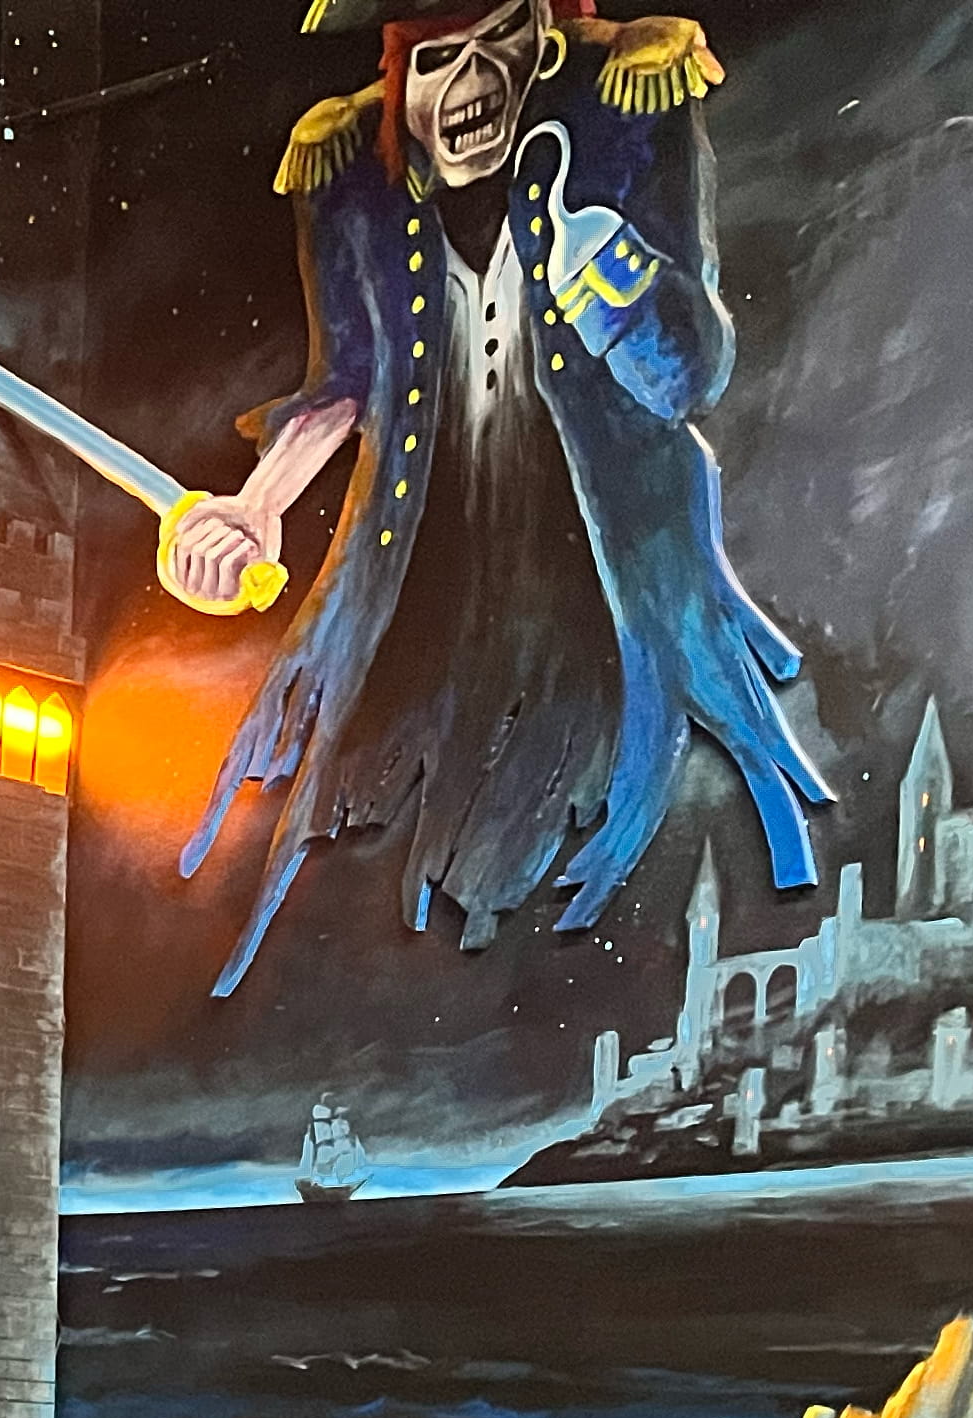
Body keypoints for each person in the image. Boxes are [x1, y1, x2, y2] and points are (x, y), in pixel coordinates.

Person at [162, 0, 829, 994]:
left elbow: (689, 375)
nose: (469, 86)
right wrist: (259, 507)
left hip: (606, 586)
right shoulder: (352, 173)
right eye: (438, 60)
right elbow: (348, 379)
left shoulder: (628, 95)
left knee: (587, 839)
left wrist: (617, 283)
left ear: (542, 40)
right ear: (402, 73)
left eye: (497, 44)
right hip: (425, 586)